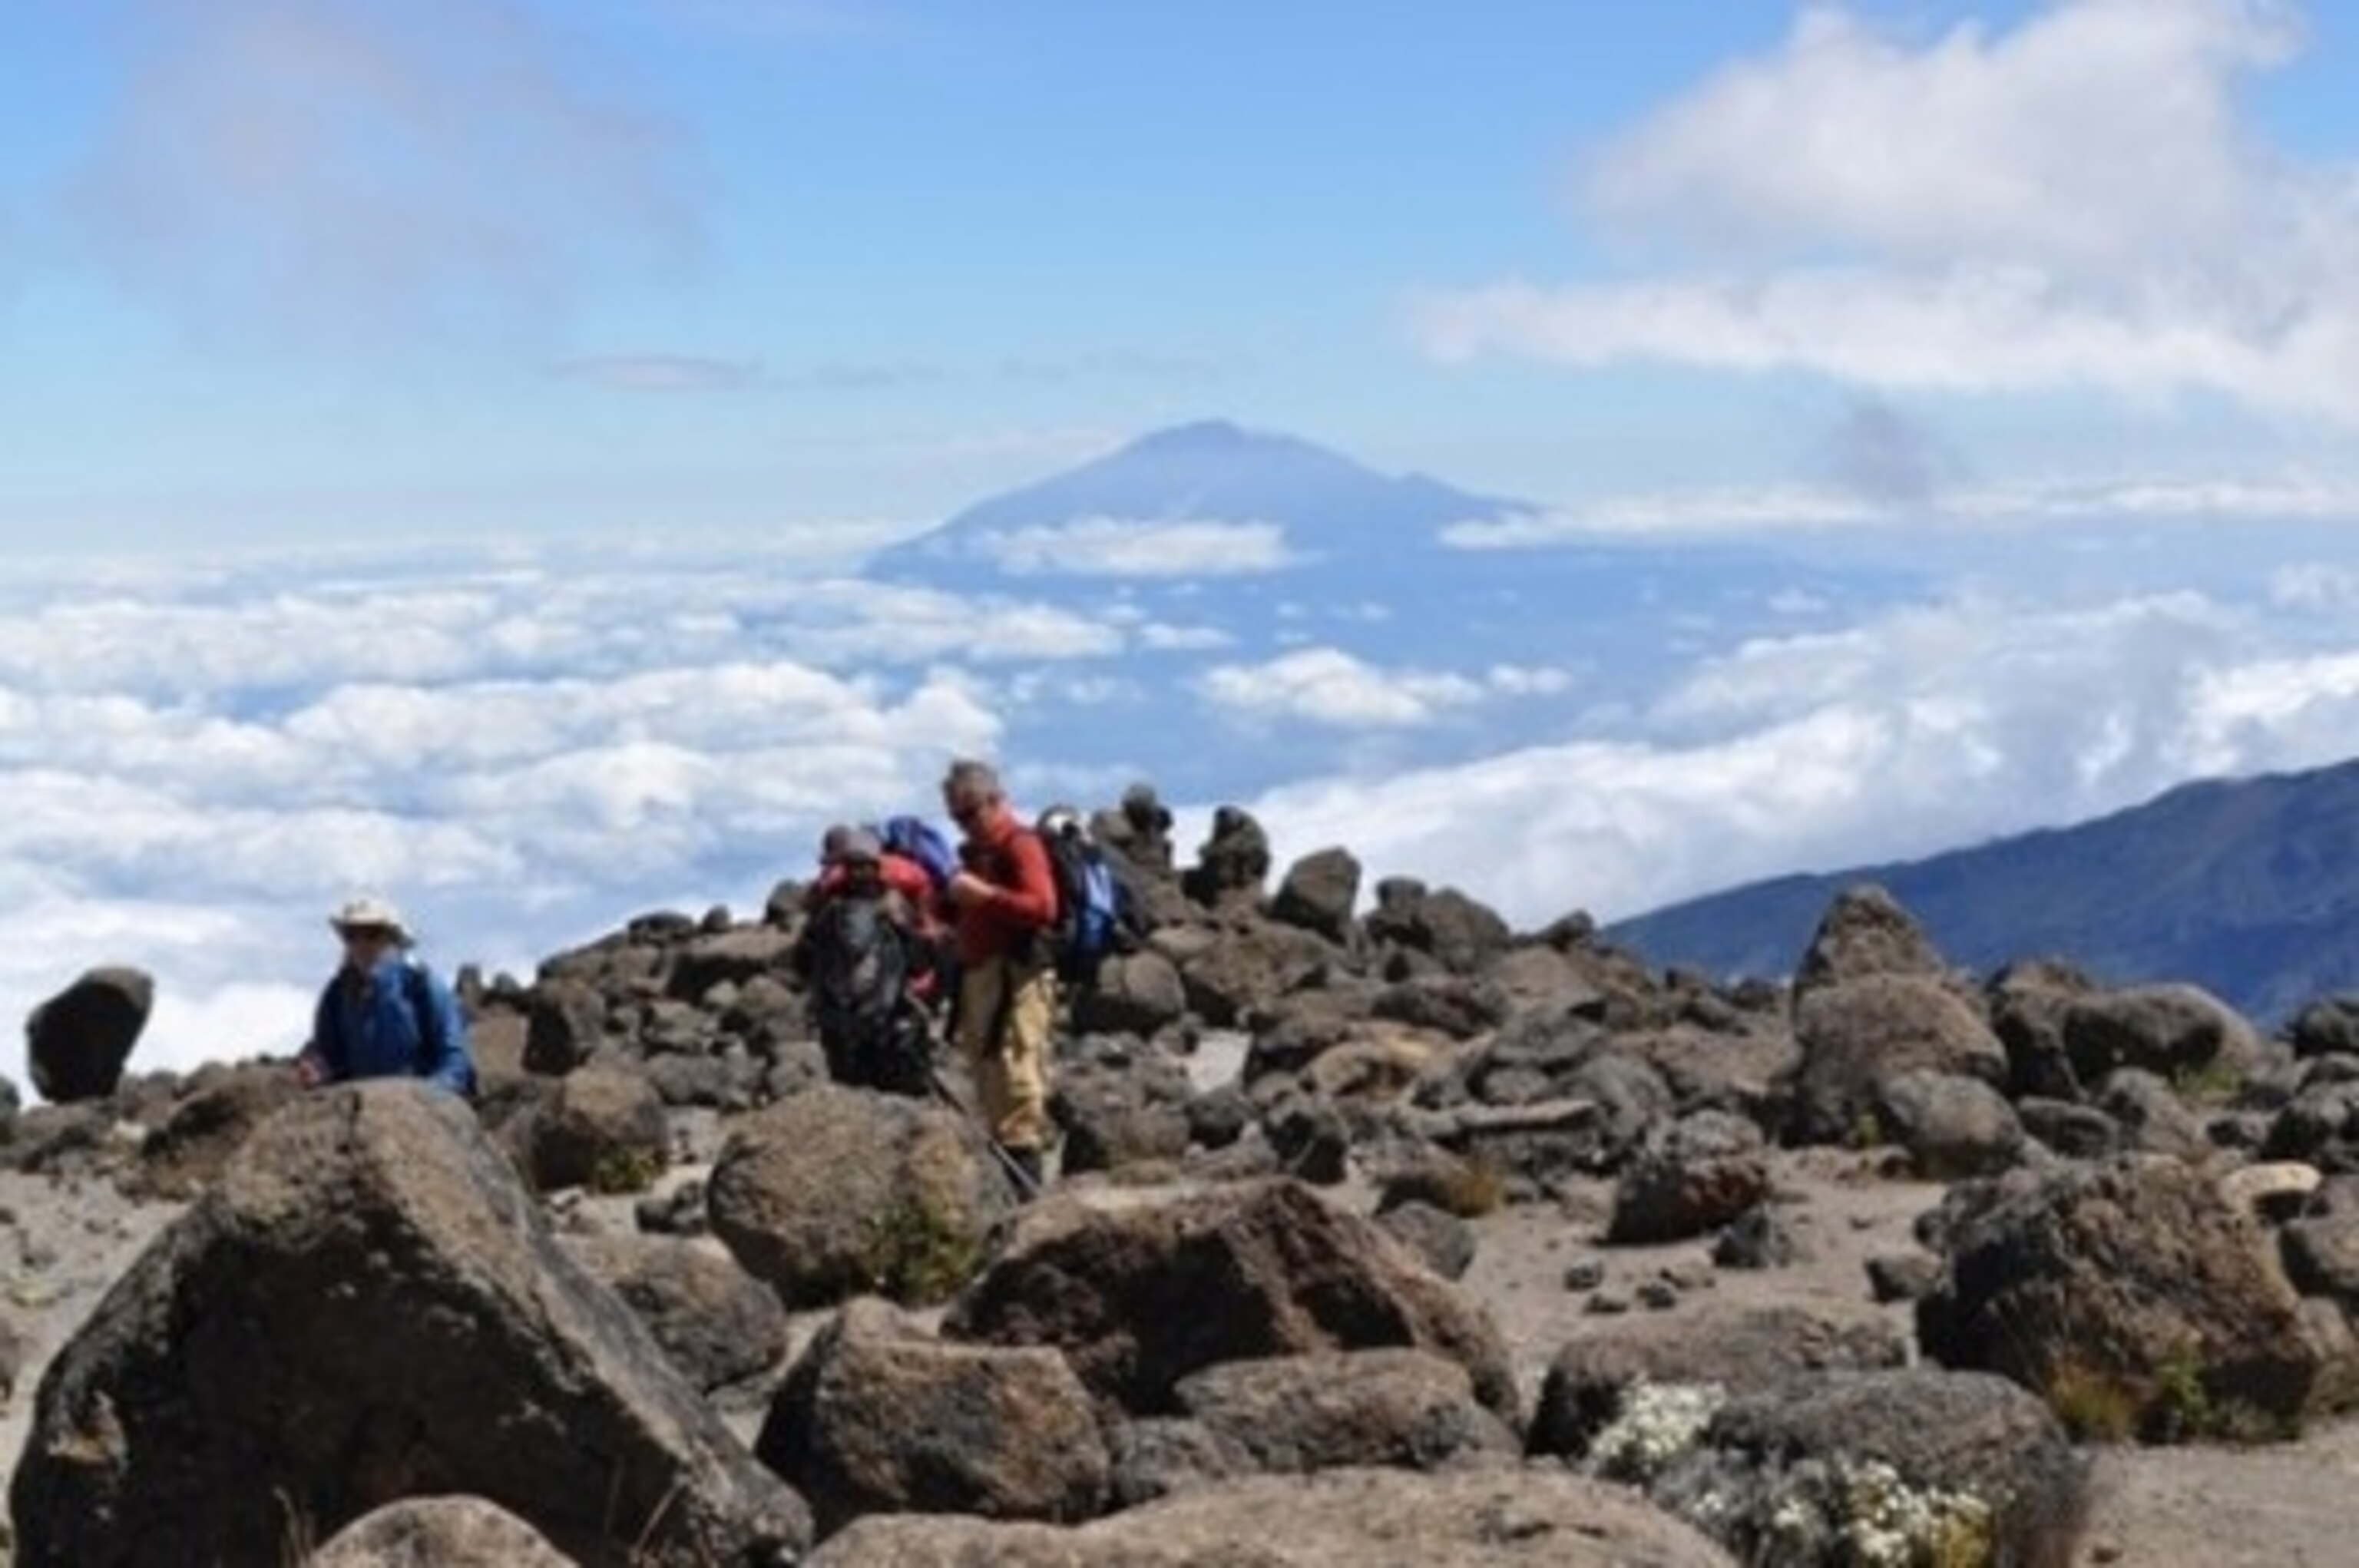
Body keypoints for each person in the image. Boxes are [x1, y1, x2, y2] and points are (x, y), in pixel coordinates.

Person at [939, 758, 1059, 1193]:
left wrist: (985, 895)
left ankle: (1027, 1195)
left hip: (1017, 978)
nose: (965, 825)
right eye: (957, 817)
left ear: (997, 801)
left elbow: (1043, 907)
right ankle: (1011, 1193)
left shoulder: (1020, 844)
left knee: (1016, 1080)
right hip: (981, 979)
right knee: (990, 1083)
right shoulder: (975, 855)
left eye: (971, 813)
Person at [794, 825, 934, 1096]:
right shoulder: (835, 910)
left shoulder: (835, 909)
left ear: (875, 867)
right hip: (860, 1021)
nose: (858, 873)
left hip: (864, 1022)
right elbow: (805, 958)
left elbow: (919, 961)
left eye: (862, 866)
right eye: (853, 866)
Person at [294, 895, 476, 1097]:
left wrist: (426, 1100)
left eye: (372, 934)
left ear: (392, 939)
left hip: (420, 1101)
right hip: (361, 1103)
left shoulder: (420, 984)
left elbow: (455, 1060)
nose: (361, 944)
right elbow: (328, 1054)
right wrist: (318, 1070)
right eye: (351, 935)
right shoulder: (336, 994)